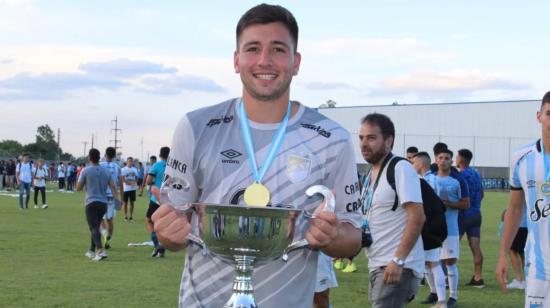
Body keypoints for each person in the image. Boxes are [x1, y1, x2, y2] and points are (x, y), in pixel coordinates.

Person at [150, 5, 362, 307]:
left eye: (278, 49)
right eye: (253, 49)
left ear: (296, 61)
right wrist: (168, 232)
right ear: (236, 60)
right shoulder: (195, 127)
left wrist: (332, 236)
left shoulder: (331, 139)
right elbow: (176, 226)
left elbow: (352, 235)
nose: (264, 60)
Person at [359, 113, 425, 307]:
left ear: (389, 141)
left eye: (371, 138)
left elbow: (417, 217)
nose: (364, 144)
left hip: (396, 265)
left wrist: (398, 259)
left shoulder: (400, 168)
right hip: (378, 264)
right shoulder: (370, 173)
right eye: (361, 138)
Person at [496, 91, 550, 307]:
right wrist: (502, 254)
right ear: (539, 116)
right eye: (549, 113)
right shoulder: (521, 157)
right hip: (537, 265)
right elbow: (515, 210)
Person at [77, 148, 119, 261]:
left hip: (91, 202)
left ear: (89, 157)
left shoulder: (85, 170)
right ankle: (91, 250)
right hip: (103, 203)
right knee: (95, 226)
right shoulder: (106, 171)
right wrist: (117, 200)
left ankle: (100, 250)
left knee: (94, 227)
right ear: (99, 157)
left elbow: (78, 187)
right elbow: (113, 187)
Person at [456, 148, 486, 288]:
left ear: (461, 159)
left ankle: (447, 276)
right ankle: (478, 278)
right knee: (475, 247)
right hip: (476, 213)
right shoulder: (476, 174)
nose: (455, 159)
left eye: (456, 157)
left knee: (452, 246)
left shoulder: (460, 175)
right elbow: (482, 194)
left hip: (463, 215)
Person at [145, 147, 169, 257]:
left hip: (156, 198)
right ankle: (162, 247)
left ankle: (156, 245)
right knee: (164, 225)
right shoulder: (174, 166)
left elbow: (148, 181)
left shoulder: (157, 165)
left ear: (160, 155)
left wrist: (157, 181)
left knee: (149, 221)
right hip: (169, 199)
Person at [99, 147, 122, 249]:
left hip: (100, 195)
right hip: (112, 196)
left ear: (105, 154)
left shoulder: (100, 165)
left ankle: (104, 234)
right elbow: (121, 183)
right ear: (114, 156)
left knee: (100, 219)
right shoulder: (117, 167)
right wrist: (122, 199)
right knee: (110, 219)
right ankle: (109, 239)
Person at [121, 157, 139, 221]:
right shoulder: (123, 169)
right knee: (125, 203)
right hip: (125, 189)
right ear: (127, 162)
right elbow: (122, 178)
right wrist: (128, 183)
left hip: (132, 189)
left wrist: (134, 182)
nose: (130, 162)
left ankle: (131, 216)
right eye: (129, 161)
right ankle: (125, 216)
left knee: (132, 203)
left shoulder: (134, 169)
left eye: (131, 161)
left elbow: (137, 177)